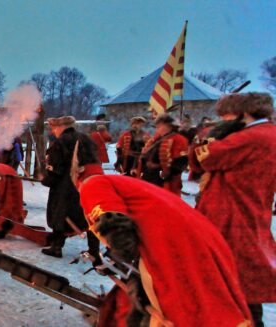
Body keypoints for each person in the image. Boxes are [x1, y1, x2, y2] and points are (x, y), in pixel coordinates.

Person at [78, 174, 252, 326]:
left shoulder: (92, 185)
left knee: (184, 311)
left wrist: (123, 259)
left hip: (173, 246)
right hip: (197, 236)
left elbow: (115, 227)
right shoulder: (120, 182)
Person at [195, 92, 276, 327]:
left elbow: (207, 157)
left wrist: (213, 136)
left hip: (232, 214)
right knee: (239, 281)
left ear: (243, 114)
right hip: (250, 210)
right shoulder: (268, 134)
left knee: (232, 279)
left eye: (226, 115)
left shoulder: (251, 137)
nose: (223, 120)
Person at [40, 116, 100, 258]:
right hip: (90, 182)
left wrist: (45, 179)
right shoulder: (87, 138)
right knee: (89, 216)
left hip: (67, 185)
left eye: (54, 128)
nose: (53, 131)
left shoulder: (61, 142)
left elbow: (56, 169)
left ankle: (56, 248)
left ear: (61, 127)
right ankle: (94, 250)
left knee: (60, 214)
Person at [135, 114, 188, 195]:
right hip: (149, 177)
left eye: (159, 125)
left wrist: (159, 168)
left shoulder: (179, 139)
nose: (157, 128)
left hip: (166, 180)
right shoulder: (156, 139)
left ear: (168, 126)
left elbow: (181, 162)